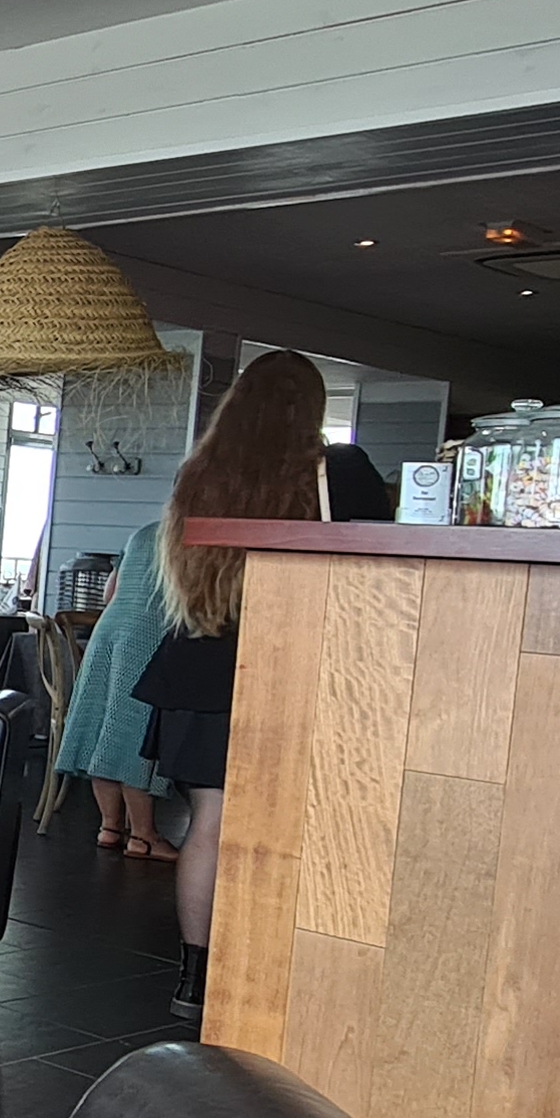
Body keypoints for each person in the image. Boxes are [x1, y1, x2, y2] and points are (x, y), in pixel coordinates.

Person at [134, 350, 332, 1016]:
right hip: (282, 666)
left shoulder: (200, 473)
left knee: (209, 825)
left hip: (195, 661)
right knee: (284, 825)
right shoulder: (323, 473)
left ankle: (196, 979)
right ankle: (262, 968)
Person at [52, 525, 177, 862]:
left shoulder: (143, 534)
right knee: (133, 735)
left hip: (108, 629)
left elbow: (110, 593)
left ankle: (109, 827)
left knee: (101, 729)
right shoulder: (190, 534)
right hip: (149, 630)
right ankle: (143, 836)